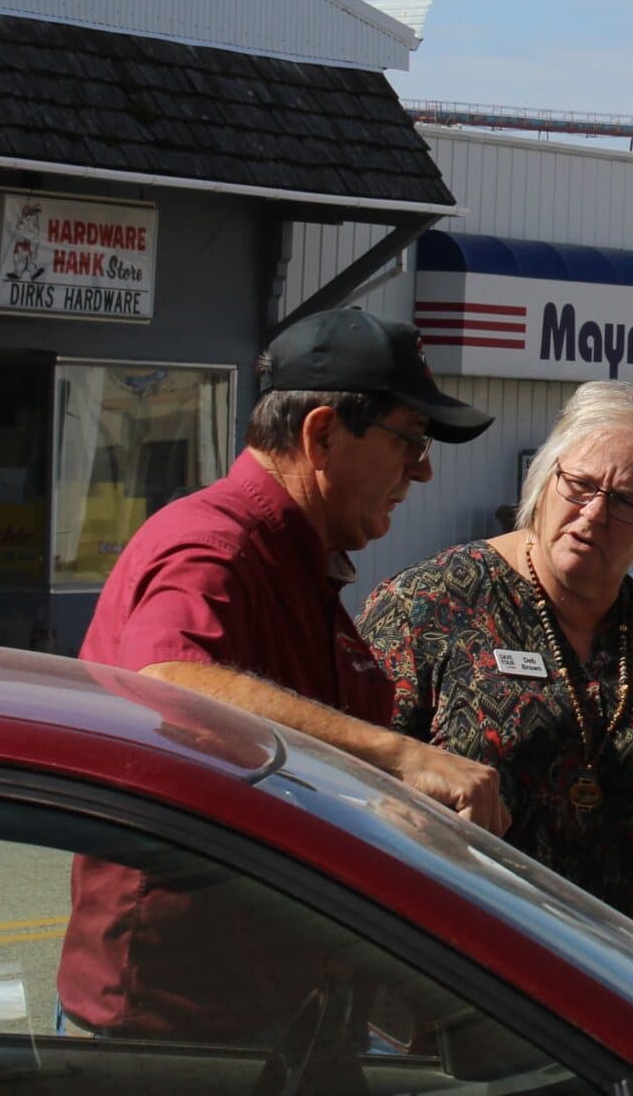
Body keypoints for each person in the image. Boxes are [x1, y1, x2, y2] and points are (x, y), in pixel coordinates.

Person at [58, 307, 505, 1039]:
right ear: (321, 434)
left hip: (284, 1010)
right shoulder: (215, 543)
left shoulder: (298, 562)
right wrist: (400, 756)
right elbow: (171, 682)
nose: (423, 470)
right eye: (410, 439)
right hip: (183, 1036)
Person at [360, 379, 633, 955]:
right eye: (579, 485)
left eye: (626, 502)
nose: (593, 514)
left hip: (629, 977)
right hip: (461, 974)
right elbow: (346, 785)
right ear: (543, 480)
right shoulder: (427, 606)